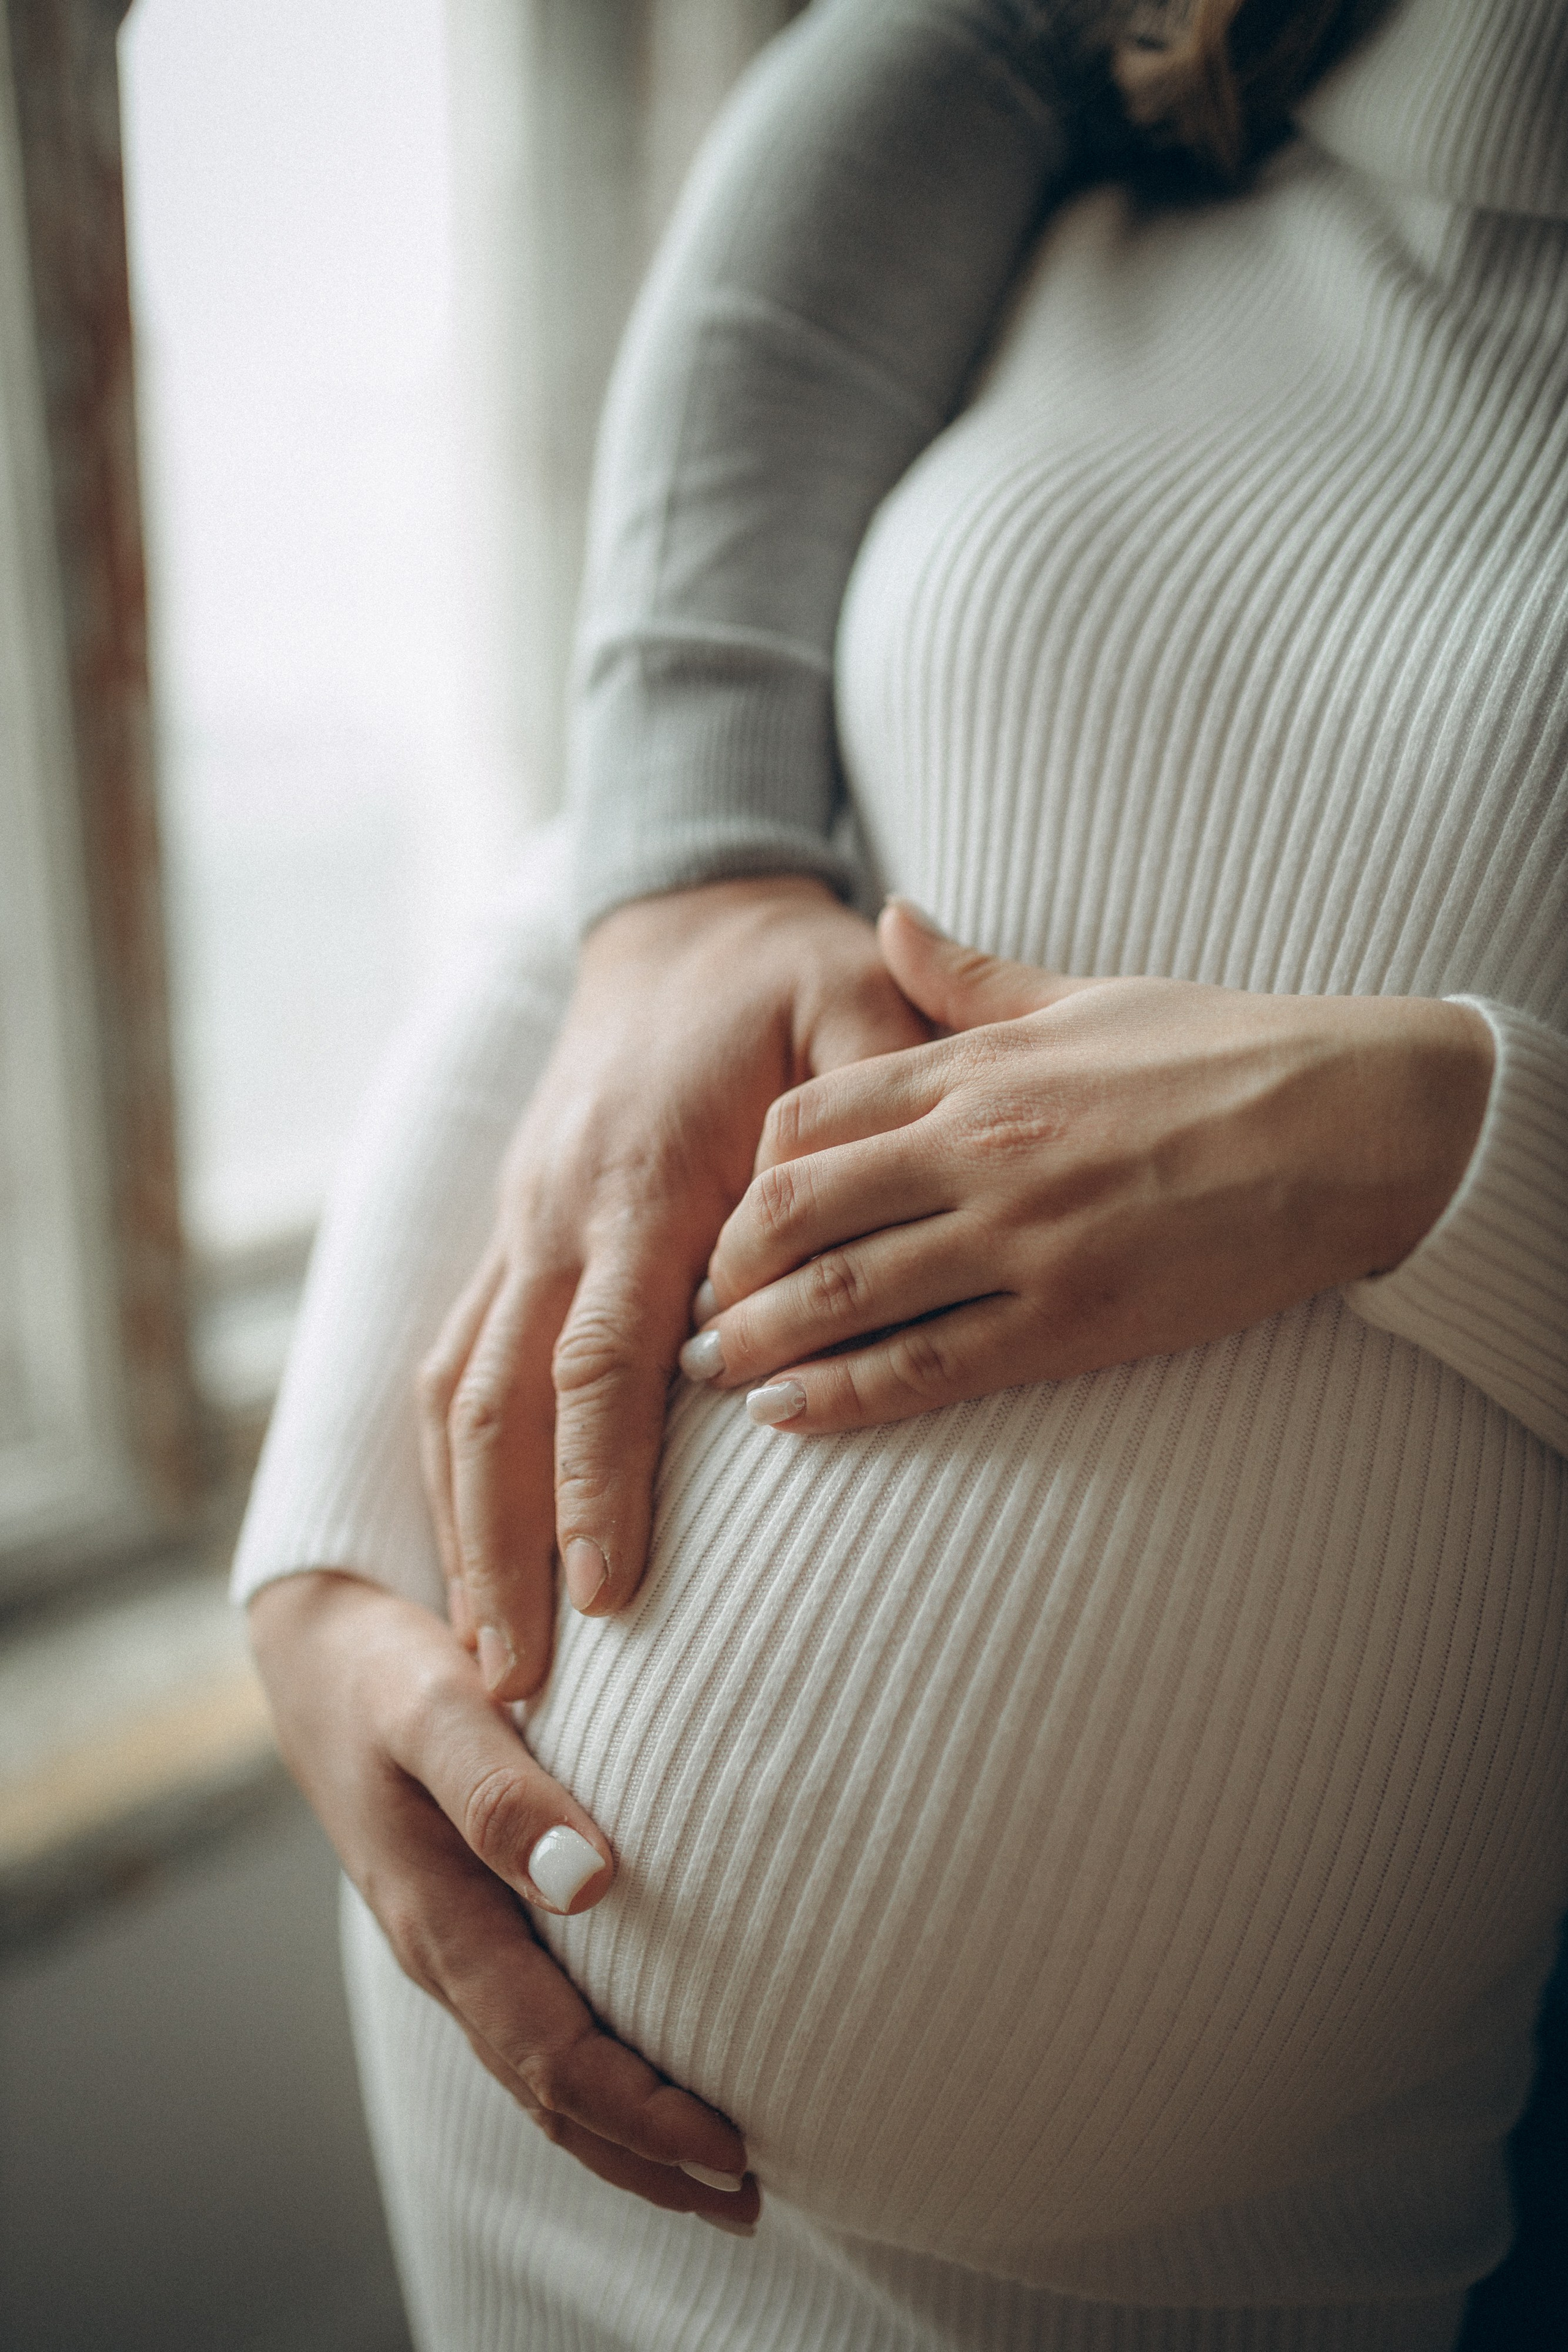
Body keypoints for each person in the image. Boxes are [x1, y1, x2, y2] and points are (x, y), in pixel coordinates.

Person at [237, 0, 1568, 2344]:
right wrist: (318, 1573)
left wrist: (1433, 1137)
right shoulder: (1114, 143)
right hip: (492, 2118)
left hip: (1155, 2277)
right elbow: (622, 909)